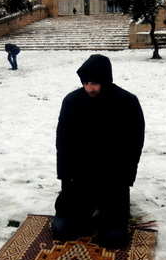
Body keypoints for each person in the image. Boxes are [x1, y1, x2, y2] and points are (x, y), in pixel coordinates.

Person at [53, 54, 145, 249]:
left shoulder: (127, 102)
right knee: (62, 230)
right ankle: (86, 209)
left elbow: (134, 143)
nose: (90, 88)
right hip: (80, 176)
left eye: (95, 83)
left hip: (112, 177)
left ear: (106, 80)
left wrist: (126, 178)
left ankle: (108, 213)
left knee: (113, 238)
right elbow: (63, 142)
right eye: (86, 83)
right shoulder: (71, 101)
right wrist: (65, 177)